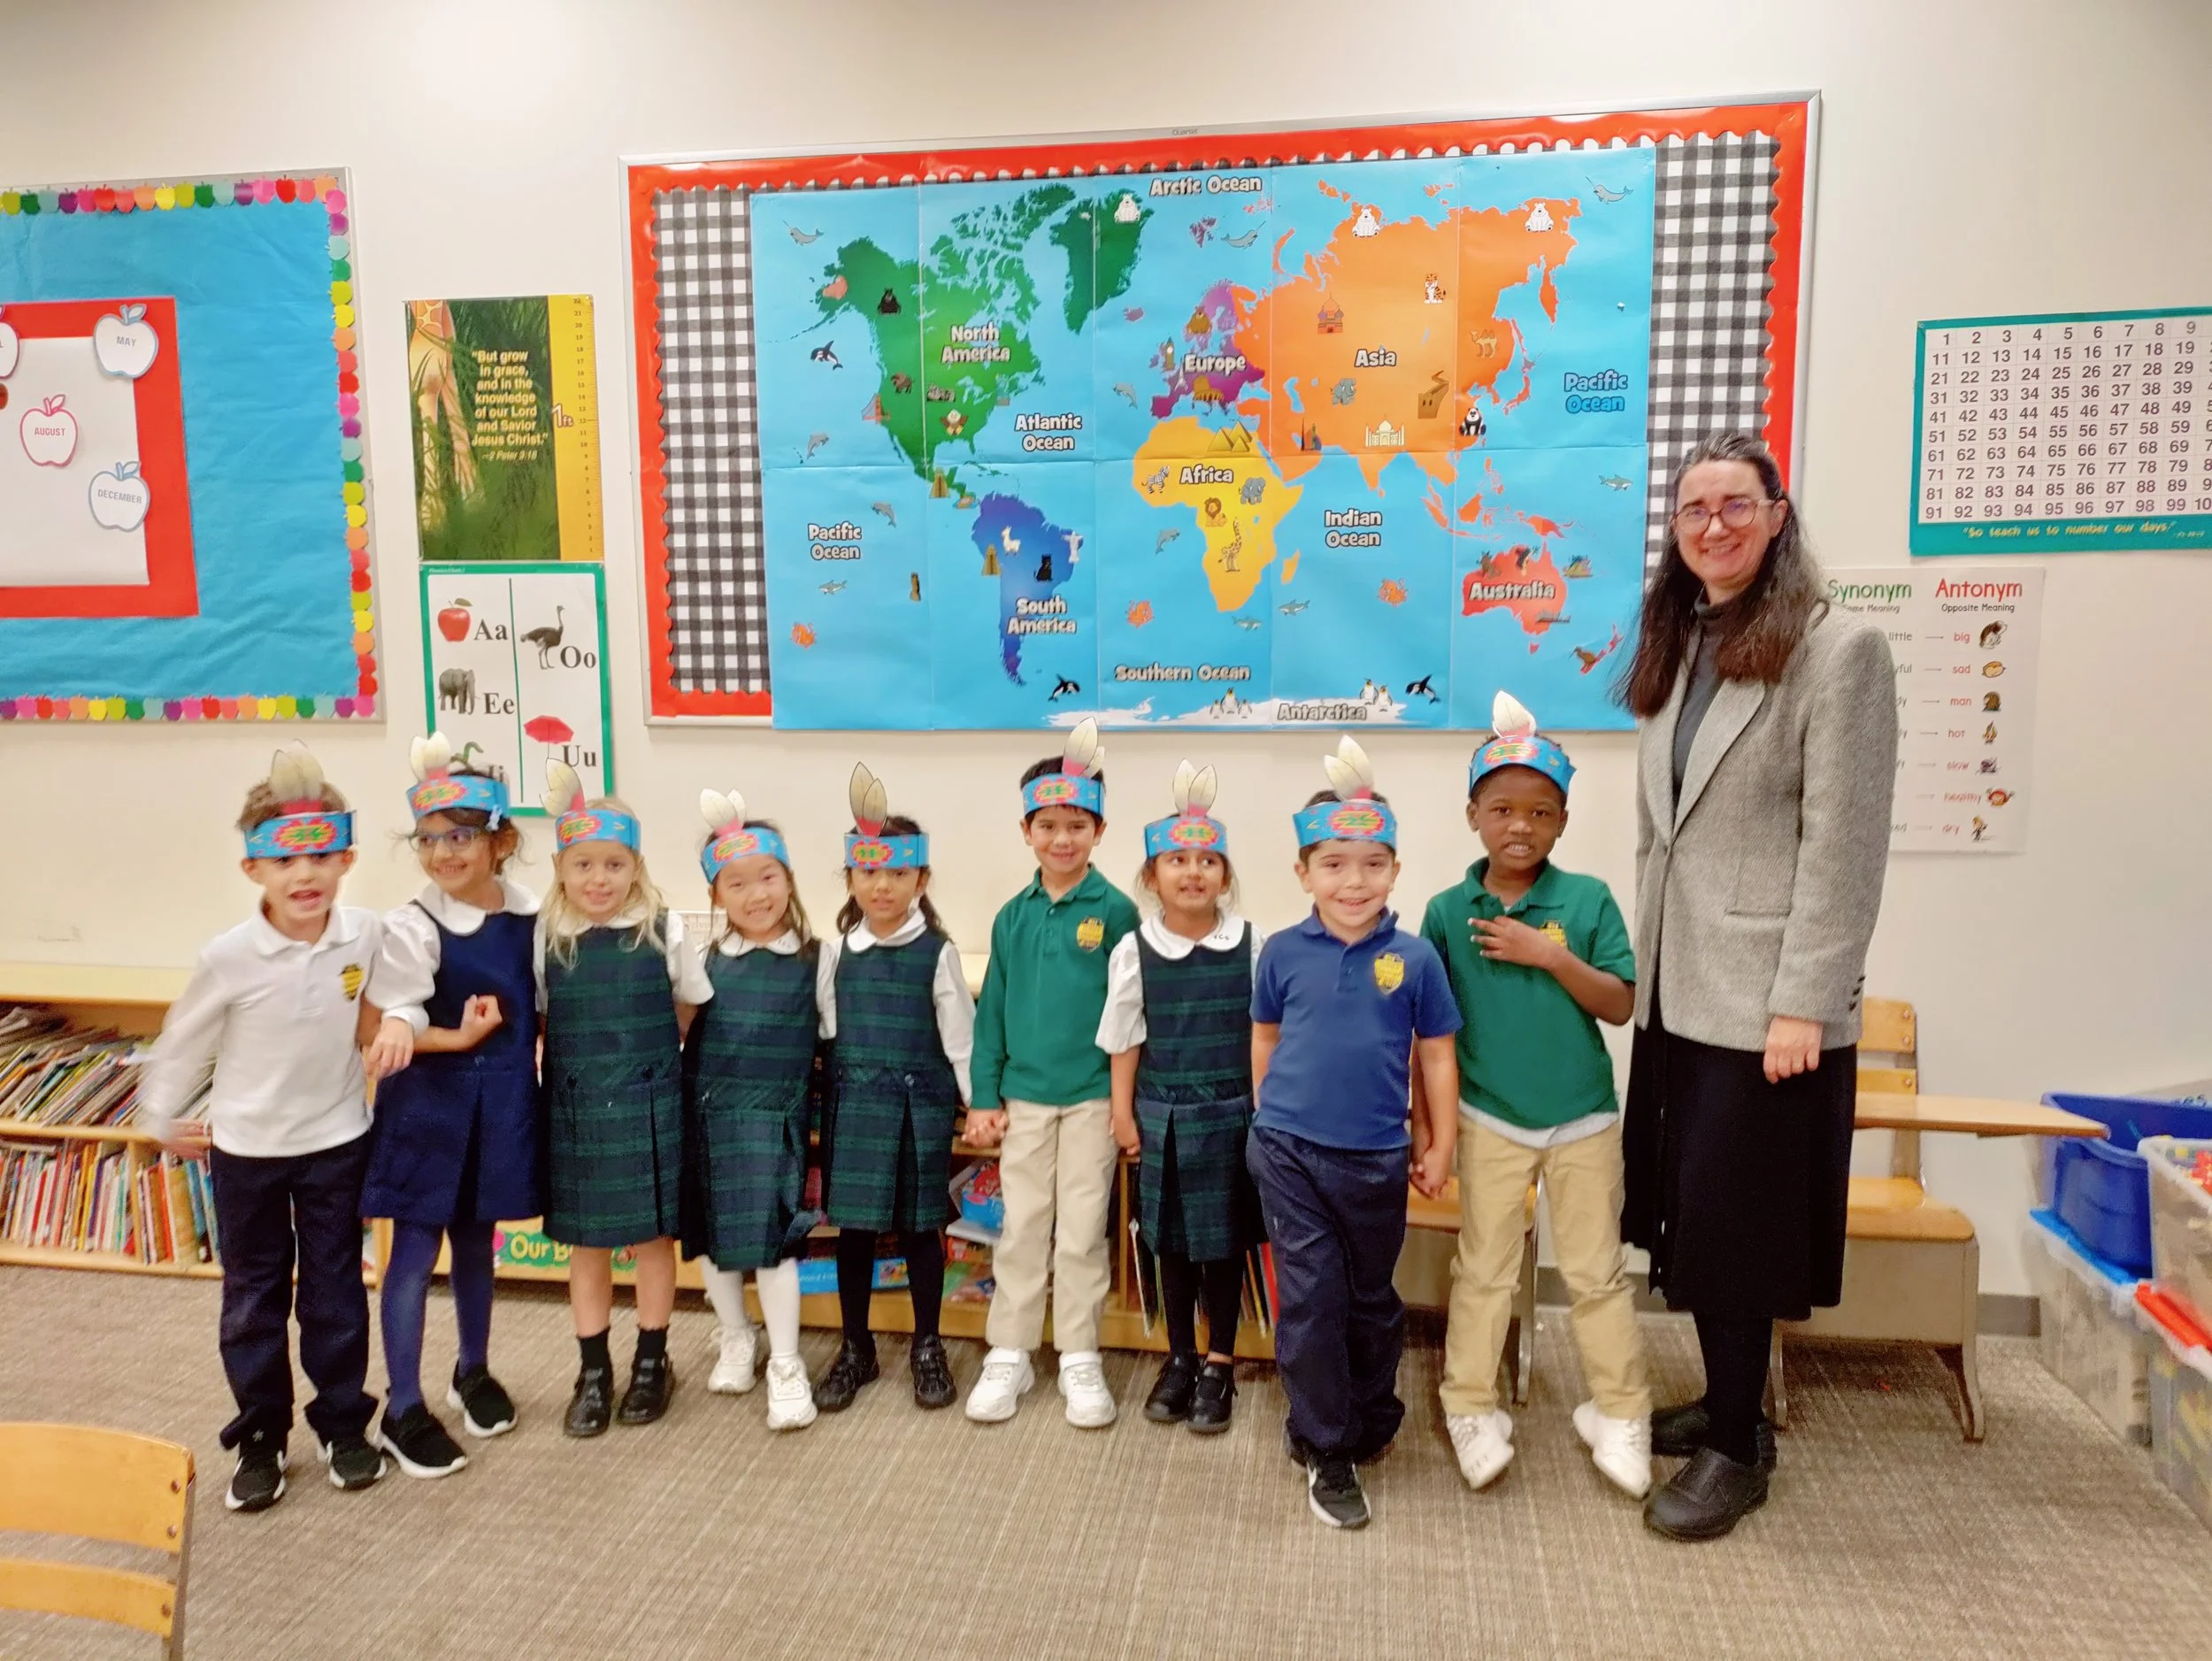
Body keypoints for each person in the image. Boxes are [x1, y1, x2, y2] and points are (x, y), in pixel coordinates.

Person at [1617, 431, 1897, 1541]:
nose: (1712, 525)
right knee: (1688, 1215)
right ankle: (1730, 1401)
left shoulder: (1839, 651)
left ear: (1776, 515)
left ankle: (1739, 1446)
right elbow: (1665, 833)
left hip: (1766, 1003)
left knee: (1739, 1227)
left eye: (1735, 504)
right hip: (1680, 991)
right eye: (1692, 509)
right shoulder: (1681, 644)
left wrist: (1806, 1000)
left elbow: (1844, 845)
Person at [139, 745, 387, 1512]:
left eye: (319, 855)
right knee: (252, 1296)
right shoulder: (231, 955)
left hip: (337, 1139)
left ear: (345, 855)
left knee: (336, 1289)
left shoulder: (364, 934)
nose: (303, 875)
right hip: (246, 1150)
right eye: (284, 860)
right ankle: (260, 1433)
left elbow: (401, 995)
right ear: (254, 870)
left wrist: (404, 1022)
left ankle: (344, 1422)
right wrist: (155, 1114)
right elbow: (183, 1038)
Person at [1420, 694, 1647, 1500]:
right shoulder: (1448, 913)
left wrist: (1545, 955)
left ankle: (1621, 1409)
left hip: (1583, 1116)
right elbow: (1431, 1035)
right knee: (1484, 1269)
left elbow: (1619, 1002)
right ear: (1474, 814)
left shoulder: (1584, 902)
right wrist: (1430, 1130)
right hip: (1487, 1116)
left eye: (1540, 813)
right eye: (1504, 809)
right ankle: (1469, 1403)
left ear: (1561, 821)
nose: (1521, 825)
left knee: (1595, 1271)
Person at [1248, 737, 1460, 1530]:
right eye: (1333, 864)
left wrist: (1439, 1144)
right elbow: (1265, 1037)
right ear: (1304, 873)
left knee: (1370, 1300)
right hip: (1289, 1152)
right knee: (1310, 1297)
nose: (1353, 881)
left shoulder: (1416, 958)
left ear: (1395, 871)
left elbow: (1435, 1057)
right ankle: (1324, 1445)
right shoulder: (1280, 952)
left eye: (1372, 863)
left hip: (1377, 1159)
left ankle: (1367, 1409)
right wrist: (1269, 1113)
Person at [359, 736, 541, 1479]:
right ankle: (402, 1406)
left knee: (477, 1241)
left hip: (499, 1102)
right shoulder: (411, 924)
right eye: (429, 840)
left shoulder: (532, 915)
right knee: (411, 1253)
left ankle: (473, 1369)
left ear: (500, 841)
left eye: (460, 836)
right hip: (429, 1108)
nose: (442, 853)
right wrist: (434, 1032)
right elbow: (392, 1017)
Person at [964, 719, 1141, 1428]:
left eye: (1076, 824)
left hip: (1094, 1097)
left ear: (1098, 830)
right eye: (1048, 824)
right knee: (1023, 1225)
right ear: (1026, 830)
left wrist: (1123, 1103)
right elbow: (992, 1018)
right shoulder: (1012, 917)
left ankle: (1078, 1354)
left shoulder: (1119, 910)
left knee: (1080, 1231)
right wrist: (984, 1097)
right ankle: (1008, 1350)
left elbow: (1130, 1017)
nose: (1062, 838)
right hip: (1026, 1100)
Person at [536, 763, 714, 1437]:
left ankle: (650, 1361)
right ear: (560, 867)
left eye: (613, 863)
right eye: (583, 864)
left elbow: (691, 1005)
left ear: (635, 864)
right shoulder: (548, 938)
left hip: (648, 1104)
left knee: (651, 1241)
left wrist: (648, 1057)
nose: (598, 879)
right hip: (578, 1111)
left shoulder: (662, 928)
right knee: (585, 1246)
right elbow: (543, 1017)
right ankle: (592, 1372)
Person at [1096, 760, 1265, 1434]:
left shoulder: (1253, 945)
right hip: (1162, 1115)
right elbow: (1124, 1037)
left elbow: (1266, 1036)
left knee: (1221, 1247)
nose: (1193, 871)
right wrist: (1121, 1111)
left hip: (1231, 1114)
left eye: (1207, 860)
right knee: (1167, 1244)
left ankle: (1219, 1362)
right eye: (1176, 859)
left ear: (1224, 875)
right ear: (1151, 875)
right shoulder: (1134, 950)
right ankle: (1179, 1357)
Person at [813, 766, 974, 1413]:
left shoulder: (937, 952)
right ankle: (856, 1346)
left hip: (918, 1107)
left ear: (921, 880)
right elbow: (824, 1036)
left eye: (898, 874)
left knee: (918, 1229)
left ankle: (927, 1343)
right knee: (854, 1230)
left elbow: (960, 1040)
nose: (882, 885)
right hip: (856, 1105)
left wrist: (979, 1107)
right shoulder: (834, 954)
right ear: (850, 877)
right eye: (868, 873)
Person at [680, 788, 824, 1432]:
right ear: (716, 896)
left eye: (767, 877)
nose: (755, 894)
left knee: (773, 1244)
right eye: (735, 883)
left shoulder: (817, 961)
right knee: (712, 1240)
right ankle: (736, 1333)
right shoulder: (703, 961)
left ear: (788, 878)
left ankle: (787, 1364)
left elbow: (833, 1038)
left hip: (777, 1119)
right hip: (711, 1115)